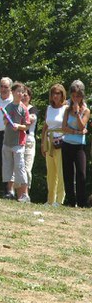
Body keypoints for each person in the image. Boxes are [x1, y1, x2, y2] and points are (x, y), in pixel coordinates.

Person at [61, 80, 89, 208]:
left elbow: (82, 125)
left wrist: (77, 113)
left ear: (82, 96)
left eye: (78, 96)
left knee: (81, 173)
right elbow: (64, 128)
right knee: (68, 173)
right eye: (73, 96)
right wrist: (77, 132)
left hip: (79, 146)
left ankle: (81, 202)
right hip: (67, 143)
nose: (75, 98)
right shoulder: (67, 110)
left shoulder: (86, 111)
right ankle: (71, 201)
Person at [1, 82, 30, 202]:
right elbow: (4, 121)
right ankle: (9, 192)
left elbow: (27, 126)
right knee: (7, 166)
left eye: (22, 92)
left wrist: (18, 126)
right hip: (7, 141)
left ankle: (24, 194)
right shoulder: (8, 106)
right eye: (18, 91)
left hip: (18, 143)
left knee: (20, 167)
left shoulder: (24, 109)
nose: (20, 94)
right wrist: (6, 120)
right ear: (12, 92)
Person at [41, 83, 66, 206]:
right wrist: (42, 143)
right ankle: (50, 199)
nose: (55, 96)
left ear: (62, 95)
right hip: (49, 141)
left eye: (58, 93)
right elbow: (45, 126)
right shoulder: (49, 108)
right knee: (50, 173)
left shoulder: (66, 108)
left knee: (61, 172)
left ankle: (60, 200)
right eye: (53, 93)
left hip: (61, 141)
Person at [21, 85, 38, 191]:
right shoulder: (16, 108)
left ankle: (25, 192)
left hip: (28, 142)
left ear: (30, 97)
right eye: (22, 94)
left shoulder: (33, 109)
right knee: (17, 168)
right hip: (17, 141)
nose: (23, 97)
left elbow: (30, 119)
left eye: (26, 95)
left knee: (27, 168)